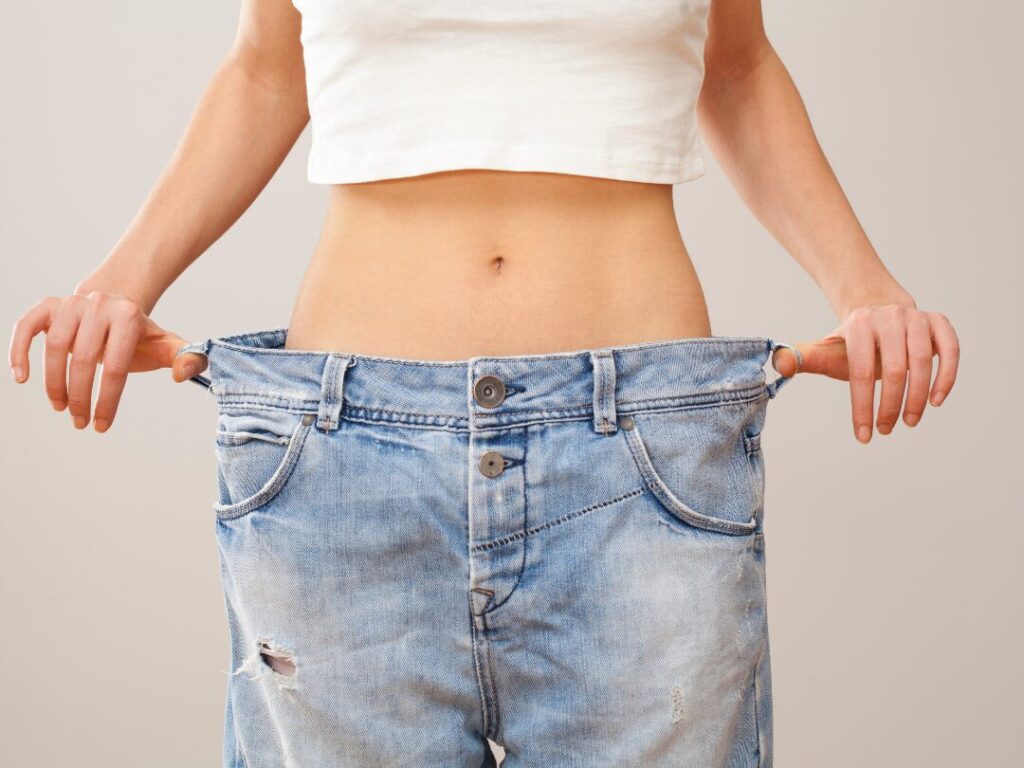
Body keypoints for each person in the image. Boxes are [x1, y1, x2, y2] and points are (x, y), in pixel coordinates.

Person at [8, 0, 959, 765]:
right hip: (347, 472)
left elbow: (738, 65)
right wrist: (120, 283)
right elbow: (268, 65)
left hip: (638, 465)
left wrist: (864, 284)